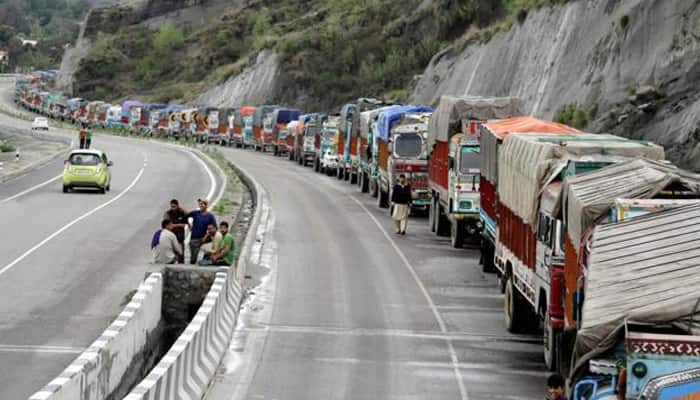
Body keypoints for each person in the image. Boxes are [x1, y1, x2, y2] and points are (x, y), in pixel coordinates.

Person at [187, 198, 216, 264]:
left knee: (208, 250)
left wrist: (206, 236)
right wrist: (189, 225)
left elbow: (214, 228)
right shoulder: (195, 213)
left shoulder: (210, 216)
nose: (202, 205)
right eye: (201, 204)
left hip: (203, 239)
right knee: (193, 258)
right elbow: (185, 216)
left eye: (204, 204)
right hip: (194, 238)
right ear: (199, 205)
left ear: (206, 206)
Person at [163, 199, 188, 263]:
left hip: (180, 239)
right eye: (171, 207)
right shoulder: (168, 213)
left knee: (181, 257)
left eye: (174, 206)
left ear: (178, 206)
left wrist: (181, 209)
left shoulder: (181, 212)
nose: (173, 208)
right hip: (170, 239)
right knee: (171, 258)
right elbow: (166, 225)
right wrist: (179, 225)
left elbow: (187, 216)